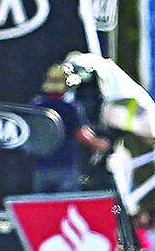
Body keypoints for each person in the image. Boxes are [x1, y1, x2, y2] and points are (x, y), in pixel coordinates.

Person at [31, 63, 111, 193]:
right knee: (65, 204)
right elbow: (81, 134)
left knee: (43, 205)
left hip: (41, 167)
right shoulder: (70, 107)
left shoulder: (37, 105)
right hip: (65, 166)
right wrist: (100, 144)